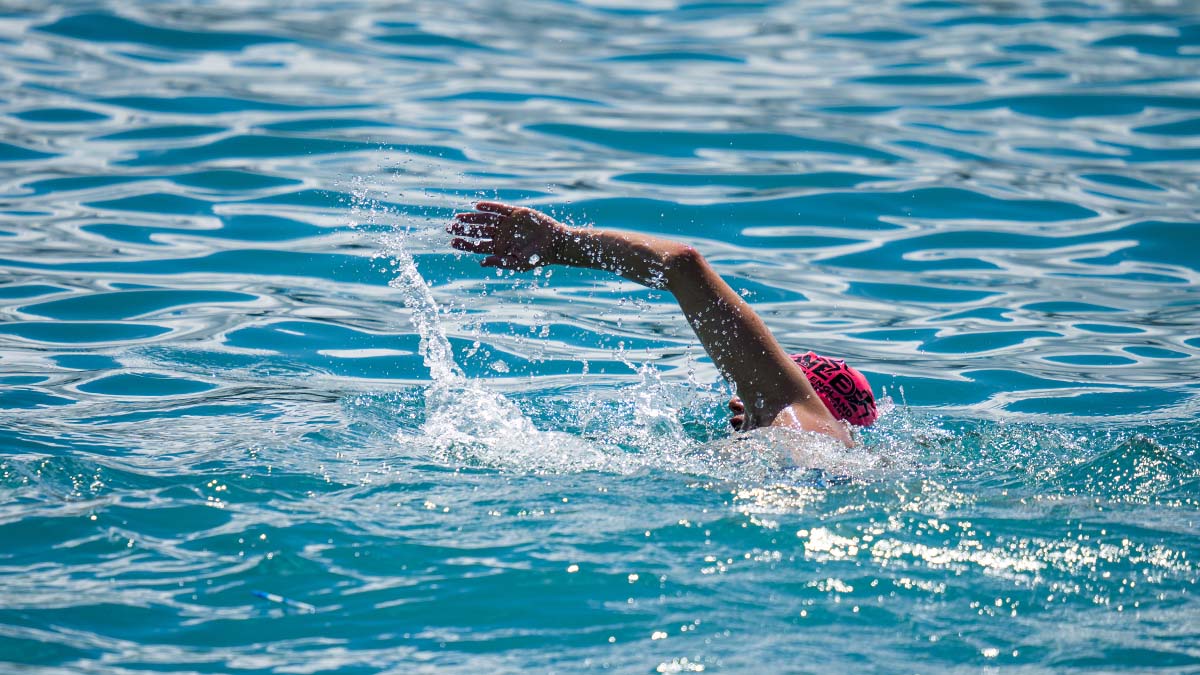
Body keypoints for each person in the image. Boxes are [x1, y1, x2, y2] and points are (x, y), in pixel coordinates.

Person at [448, 202, 877, 447]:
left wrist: (563, 243)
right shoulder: (843, 455)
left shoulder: (795, 416)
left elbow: (682, 265)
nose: (736, 401)